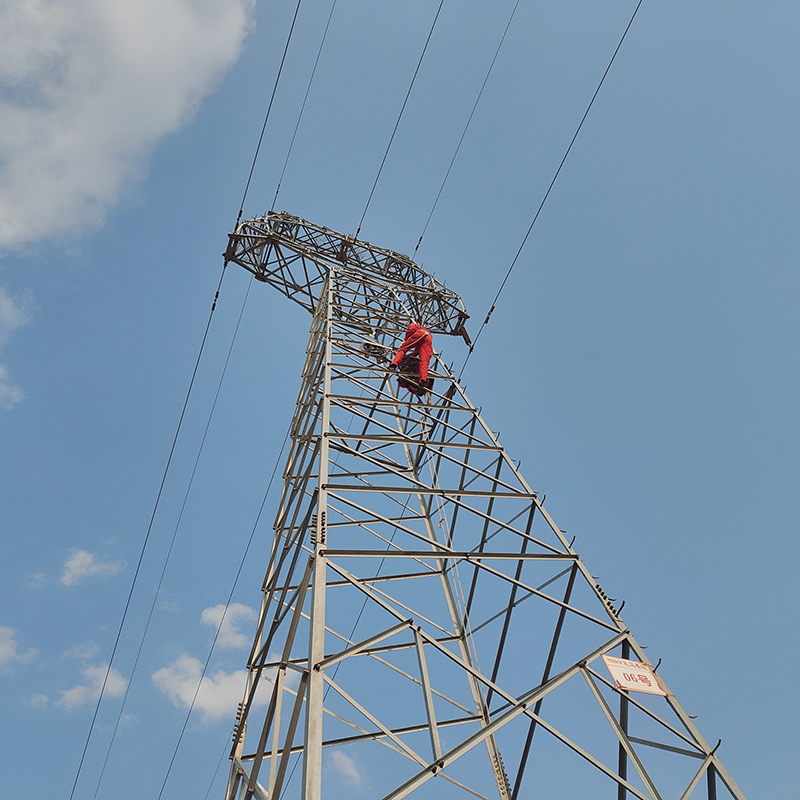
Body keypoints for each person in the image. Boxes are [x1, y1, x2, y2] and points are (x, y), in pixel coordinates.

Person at [389, 322, 433, 397]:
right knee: (424, 361)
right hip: (428, 338)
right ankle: (422, 380)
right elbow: (416, 352)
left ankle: (393, 364)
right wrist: (409, 356)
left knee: (402, 349)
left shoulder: (414, 326)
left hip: (421, 333)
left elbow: (411, 329)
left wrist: (405, 340)